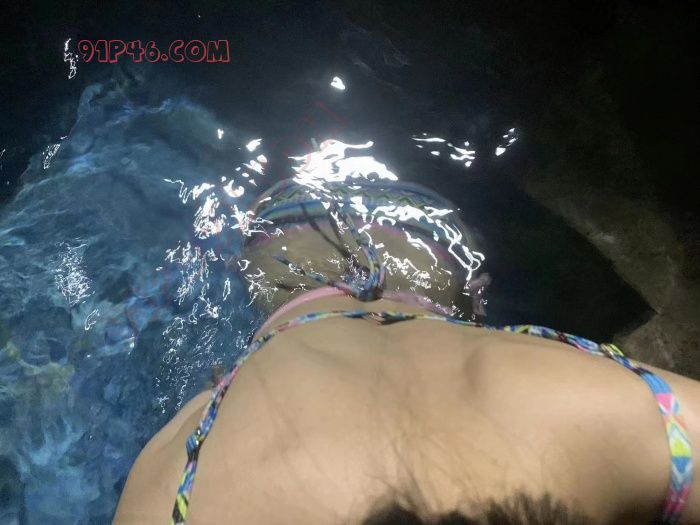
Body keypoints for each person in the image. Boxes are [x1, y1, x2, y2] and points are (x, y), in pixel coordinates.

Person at [114, 177, 698, 525]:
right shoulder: (175, 498)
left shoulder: (612, 422)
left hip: (428, 256)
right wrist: (230, 395)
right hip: (296, 251)